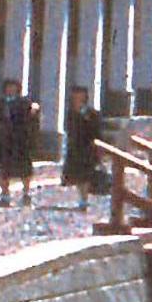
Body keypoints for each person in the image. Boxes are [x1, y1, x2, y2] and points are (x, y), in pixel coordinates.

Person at [0, 77, 41, 208]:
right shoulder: (0, 104)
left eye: (13, 87)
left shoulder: (24, 103)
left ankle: (26, 194)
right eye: (8, 87)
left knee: (25, 170)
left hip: (20, 142)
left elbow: (32, 120)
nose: (11, 90)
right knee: (3, 170)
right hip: (4, 142)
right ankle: (5, 195)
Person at [62, 84, 104, 213]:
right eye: (75, 96)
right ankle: (82, 196)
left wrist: (98, 149)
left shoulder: (92, 113)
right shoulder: (70, 113)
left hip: (87, 147)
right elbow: (69, 129)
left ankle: (84, 199)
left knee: (85, 175)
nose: (77, 98)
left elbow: (97, 131)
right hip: (74, 148)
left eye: (79, 96)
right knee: (77, 175)